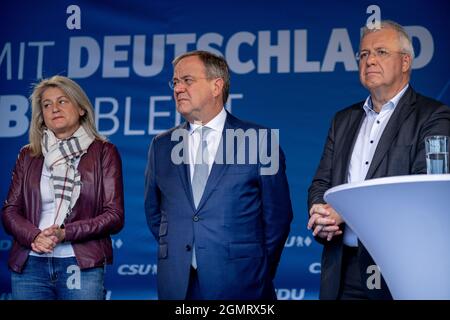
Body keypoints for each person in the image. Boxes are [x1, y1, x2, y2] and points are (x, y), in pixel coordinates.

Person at [307, 20, 450, 300]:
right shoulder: (343, 119)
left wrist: (345, 214)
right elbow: (321, 184)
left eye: (381, 52)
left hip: (399, 269)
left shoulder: (434, 116)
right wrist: (320, 212)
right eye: (363, 54)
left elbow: (424, 193)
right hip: (342, 267)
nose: (370, 60)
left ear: (405, 61)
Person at [144, 50, 293, 300]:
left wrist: (256, 268)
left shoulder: (260, 141)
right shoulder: (162, 145)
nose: (178, 88)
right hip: (179, 285)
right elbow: (155, 213)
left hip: (243, 283)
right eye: (175, 82)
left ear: (216, 86)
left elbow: (277, 217)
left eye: (187, 80)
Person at [1, 75, 124, 300]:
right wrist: (35, 236)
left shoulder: (104, 152)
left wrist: (65, 233)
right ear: (42, 116)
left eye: (62, 101)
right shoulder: (28, 155)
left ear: (81, 109)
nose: (54, 108)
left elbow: (114, 216)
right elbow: (10, 211)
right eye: (47, 105)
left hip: (81, 263)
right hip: (31, 262)